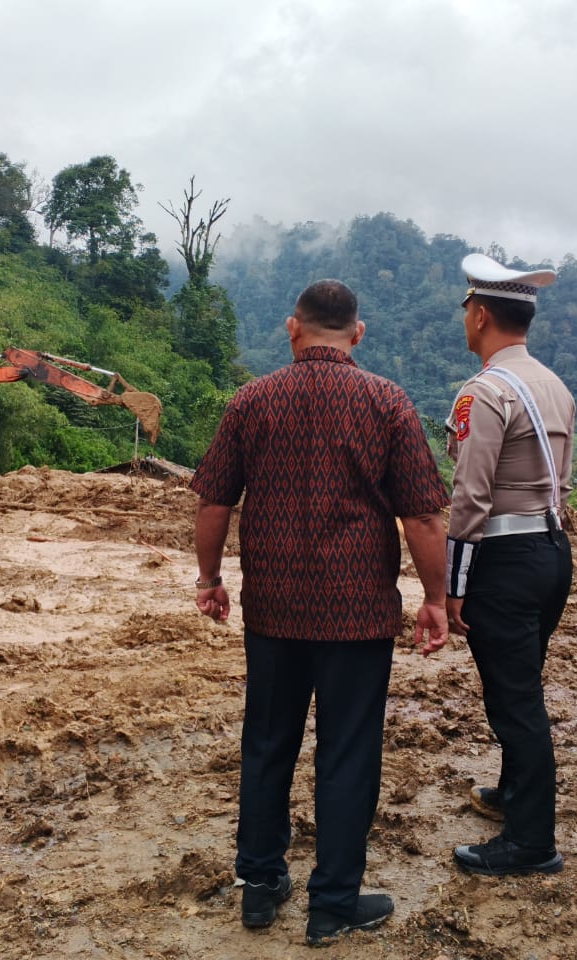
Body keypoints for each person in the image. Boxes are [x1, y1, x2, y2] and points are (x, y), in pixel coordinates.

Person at [191, 279, 450, 947]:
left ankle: (260, 883)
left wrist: (210, 578)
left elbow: (214, 501)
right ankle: (332, 902)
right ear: (356, 334)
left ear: (291, 328)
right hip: (358, 613)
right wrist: (436, 599)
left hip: (273, 608)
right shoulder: (387, 402)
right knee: (348, 752)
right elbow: (421, 514)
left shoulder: (252, 401)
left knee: (267, 741)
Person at [418, 253, 574, 876]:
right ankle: (512, 794)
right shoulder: (553, 384)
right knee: (522, 682)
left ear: (479, 314)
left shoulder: (484, 391)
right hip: (551, 550)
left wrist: (452, 586)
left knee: (515, 702)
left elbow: (470, 496)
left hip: (504, 560)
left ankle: (531, 842)